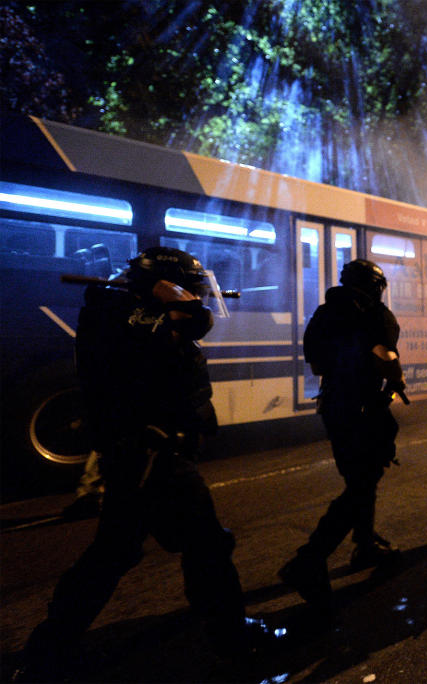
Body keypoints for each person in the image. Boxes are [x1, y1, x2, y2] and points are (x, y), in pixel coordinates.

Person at [16, 247, 279, 681]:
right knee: (206, 547)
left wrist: (173, 299)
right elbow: (194, 322)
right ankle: (230, 636)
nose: (198, 295)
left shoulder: (128, 312)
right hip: (152, 454)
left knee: (116, 552)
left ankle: (49, 649)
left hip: (147, 454)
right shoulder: (121, 314)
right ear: (163, 283)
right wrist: (175, 300)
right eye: (188, 286)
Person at [278, 259, 405, 608]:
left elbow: (317, 363)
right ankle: (310, 557)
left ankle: (365, 545)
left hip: (333, 404)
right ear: (376, 286)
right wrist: (397, 380)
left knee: (357, 478)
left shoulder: (322, 314)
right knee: (364, 482)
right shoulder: (376, 314)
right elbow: (385, 356)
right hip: (366, 406)